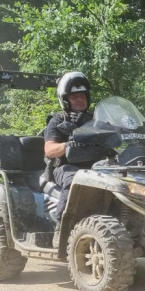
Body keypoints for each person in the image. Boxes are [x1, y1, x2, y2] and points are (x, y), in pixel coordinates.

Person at [44, 71, 95, 219]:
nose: (80, 99)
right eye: (74, 97)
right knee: (75, 179)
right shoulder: (58, 120)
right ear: (65, 100)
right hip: (65, 167)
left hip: (96, 165)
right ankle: (62, 224)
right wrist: (68, 145)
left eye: (82, 95)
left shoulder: (96, 119)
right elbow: (49, 150)